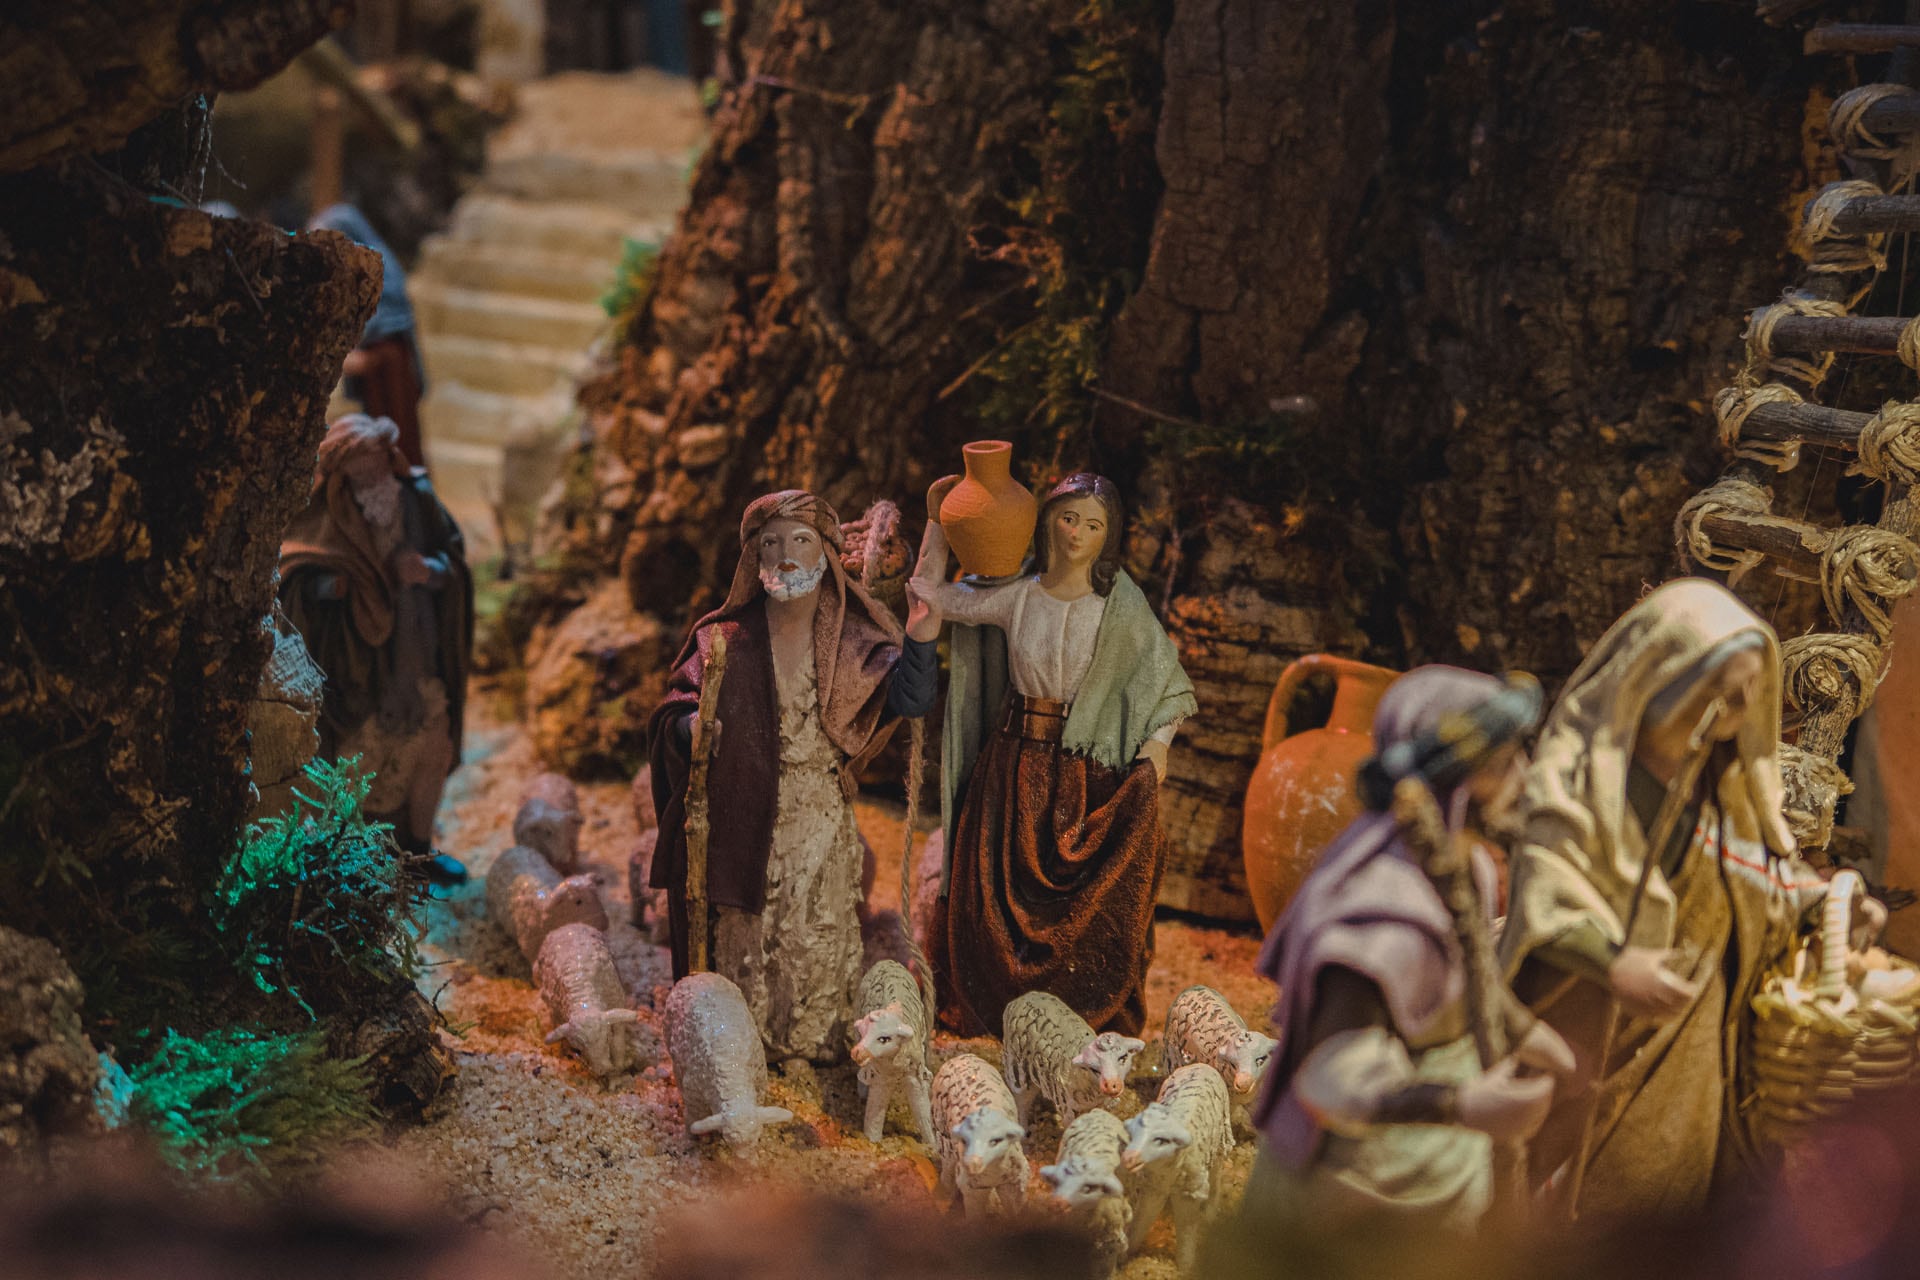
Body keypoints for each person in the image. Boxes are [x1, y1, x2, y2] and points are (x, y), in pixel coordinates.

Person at [1499, 578, 1883, 1218]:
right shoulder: (1581, 782)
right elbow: (1548, 891)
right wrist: (1616, 965)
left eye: (1743, 698)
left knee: (1685, 1199)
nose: (1729, 710)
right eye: (1715, 690)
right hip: (1599, 1037)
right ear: (1657, 677)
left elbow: (1759, 886)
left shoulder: (1723, 792)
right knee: (1594, 1204)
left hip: (1700, 1050)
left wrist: (1828, 903)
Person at [1247, 666, 1574, 1234]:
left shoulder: (1466, 866)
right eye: (1502, 765)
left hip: (1438, 1171)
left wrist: (1522, 1031)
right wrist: (1463, 1103)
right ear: (1455, 780)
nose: (1525, 777)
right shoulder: (1383, 921)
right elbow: (1334, 1080)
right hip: (1364, 1192)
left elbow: (1467, 979)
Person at [648, 490, 936, 1063]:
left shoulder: (853, 641)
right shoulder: (724, 637)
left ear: (826, 554)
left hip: (818, 809)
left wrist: (923, 631)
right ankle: (741, 1039)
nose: (785, 555)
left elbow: (912, 695)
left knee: (813, 928)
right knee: (747, 932)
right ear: (753, 557)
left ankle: (808, 1041)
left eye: (800, 542)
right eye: (771, 542)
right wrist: (688, 728)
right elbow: (677, 705)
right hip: (741, 809)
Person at [908, 472, 1197, 1037]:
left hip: (1086, 774)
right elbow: (933, 595)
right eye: (1069, 518)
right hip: (1013, 766)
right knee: (997, 889)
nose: (1077, 534)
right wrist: (937, 521)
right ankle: (994, 1005)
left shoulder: (1120, 610)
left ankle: (1077, 1010)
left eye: (1093, 525)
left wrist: (1156, 748)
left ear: (1108, 536)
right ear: (1047, 521)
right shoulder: (1018, 596)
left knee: (1079, 896)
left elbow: (1171, 688)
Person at [279, 414, 472, 885]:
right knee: (358, 761)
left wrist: (430, 570)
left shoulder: (417, 503)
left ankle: (418, 849)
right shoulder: (326, 511)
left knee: (429, 744)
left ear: (390, 459)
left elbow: (453, 560)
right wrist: (332, 588)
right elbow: (293, 572)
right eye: (360, 470)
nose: (372, 478)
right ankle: (353, 855)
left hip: (416, 653)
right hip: (355, 668)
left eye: (377, 464)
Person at [306, 204, 427, 468]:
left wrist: (360, 360)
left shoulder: (380, 274)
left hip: (390, 377)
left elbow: (391, 342)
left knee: (398, 448)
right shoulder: (349, 280)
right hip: (375, 380)